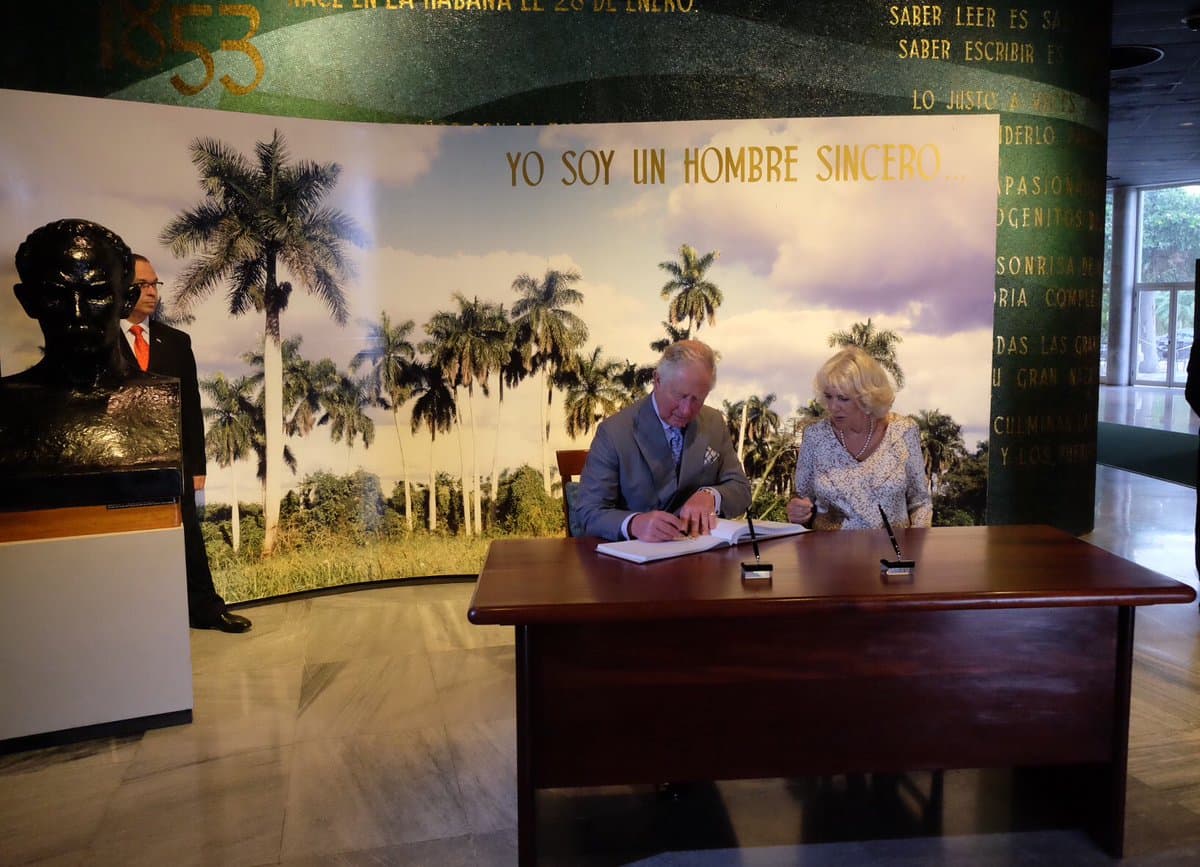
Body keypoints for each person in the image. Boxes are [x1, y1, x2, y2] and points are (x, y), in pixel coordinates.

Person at [120, 253, 251, 633]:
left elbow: (191, 409)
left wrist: (197, 468)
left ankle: (207, 611)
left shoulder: (176, 342)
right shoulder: (99, 343)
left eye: (155, 284)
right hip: (123, 468)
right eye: (143, 284)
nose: (151, 292)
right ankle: (141, 620)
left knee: (188, 538)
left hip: (171, 463)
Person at [1, 219, 181, 476]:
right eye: (56, 294)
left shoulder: (161, 398)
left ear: (126, 301)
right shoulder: (7, 407)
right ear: (28, 301)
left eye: (96, 294)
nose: (77, 312)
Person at [575, 339, 751, 542]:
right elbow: (588, 512)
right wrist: (634, 523)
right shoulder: (614, 433)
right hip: (636, 562)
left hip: (699, 557)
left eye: (697, 400)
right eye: (680, 396)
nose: (686, 410)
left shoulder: (714, 422)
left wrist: (712, 496)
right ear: (657, 380)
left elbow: (741, 488)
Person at [786, 346, 932, 530]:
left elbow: (920, 503)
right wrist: (798, 512)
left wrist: (915, 553)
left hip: (892, 555)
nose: (833, 406)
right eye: (829, 397)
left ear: (867, 398)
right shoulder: (815, 436)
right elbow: (801, 497)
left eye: (843, 399)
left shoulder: (903, 431)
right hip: (828, 555)